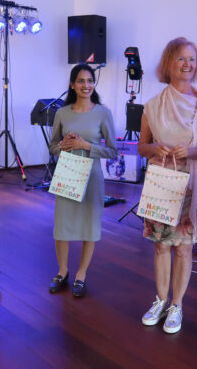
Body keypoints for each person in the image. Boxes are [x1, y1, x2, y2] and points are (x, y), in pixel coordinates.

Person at [137, 37, 197, 334]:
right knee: (161, 245)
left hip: (190, 183)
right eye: (182, 59)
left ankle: (177, 305)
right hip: (161, 181)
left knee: (184, 248)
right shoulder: (153, 105)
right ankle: (160, 300)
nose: (188, 64)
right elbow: (141, 147)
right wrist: (155, 147)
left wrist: (191, 152)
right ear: (168, 63)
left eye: (192, 59)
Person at [48, 64, 117, 298]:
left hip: (92, 176)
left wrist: (85, 145)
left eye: (89, 81)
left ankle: (81, 274)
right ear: (72, 85)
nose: (86, 85)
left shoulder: (103, 113)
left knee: (90, 225)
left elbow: (113, 151)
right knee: (62, 225)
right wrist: (64, 145)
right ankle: (62, 271)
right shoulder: (62, 113)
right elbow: (52, 146)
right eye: (80, 81)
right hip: (68, 173)